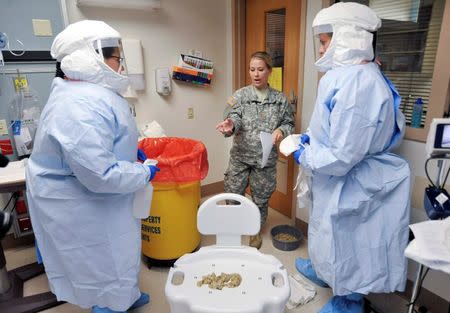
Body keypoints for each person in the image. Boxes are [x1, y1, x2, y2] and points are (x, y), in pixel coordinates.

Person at [25, 20, 159, 313]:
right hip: (79, 199)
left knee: (123, 248)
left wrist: (126, 148)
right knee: (102, 257)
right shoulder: (76, 105)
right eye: (115, 58)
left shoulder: (85, 93)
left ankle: (126, 293)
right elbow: (100, 174)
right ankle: (110, 304)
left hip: (100, 195)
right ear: (88, 57)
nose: (120, 65)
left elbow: (103, 139)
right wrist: (142, 172)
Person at [293, 3, 411, 312]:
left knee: (349, 241)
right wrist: (311, 141)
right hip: (335, 176)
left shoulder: (360, 82)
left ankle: (348, 300)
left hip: (352, 177)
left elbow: (344, 154)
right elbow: (334, 128)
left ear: (348, 36)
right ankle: (323, 270)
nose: (321, 47)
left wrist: (305, 154)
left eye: (324, 40)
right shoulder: (346, 75)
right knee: (325, 229)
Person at [216, 51, 294, 249]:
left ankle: (254, 230)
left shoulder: (280, 99)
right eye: (252, 70)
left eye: (260, 69)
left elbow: (289, 122)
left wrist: (281, 130)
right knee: (233, 193)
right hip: (241, 157)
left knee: (261, 197)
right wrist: (231, 124)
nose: (256, 74)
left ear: (269, 71)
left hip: (264, 160)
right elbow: (234, 117)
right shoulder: (241, 95)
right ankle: (233, 228)